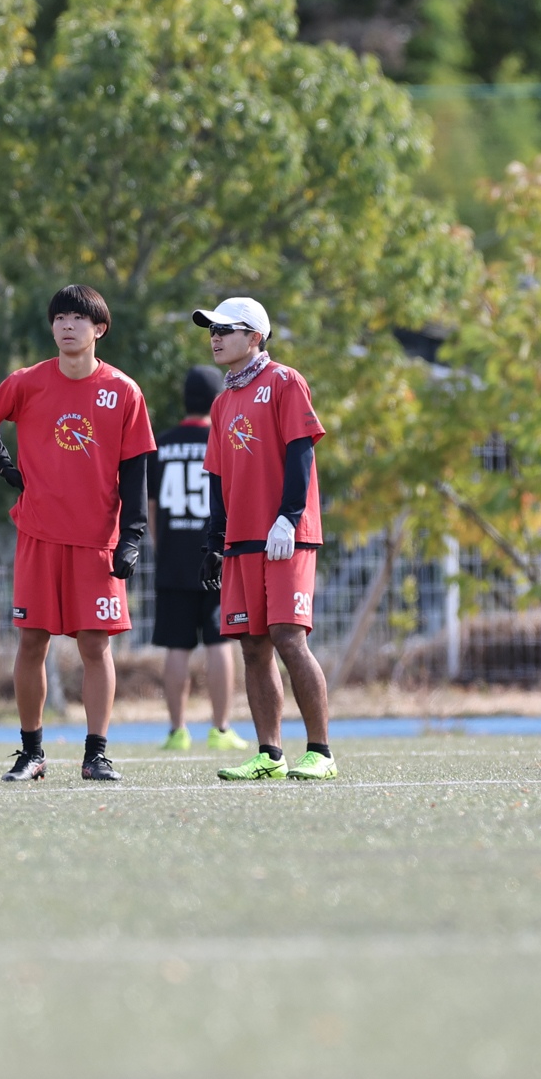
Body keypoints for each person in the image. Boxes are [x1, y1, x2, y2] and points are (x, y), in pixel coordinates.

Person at [0, 285, 154, 783]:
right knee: (32, 643)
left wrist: (132, 537)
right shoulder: (26, 382)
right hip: (39, 535)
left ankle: (96, 755)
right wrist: (2, 465)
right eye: (59, 318)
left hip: (97, 541)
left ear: (99, 329)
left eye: (78, 318)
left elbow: (136, 470)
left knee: (95, 646)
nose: (67, 325)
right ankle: (32, 753)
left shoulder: (124, 391)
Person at [195, 297, 338, 781]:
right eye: (212, 330)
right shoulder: (222, 402)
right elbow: (218, 476)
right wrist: (214, 540)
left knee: (288, 638)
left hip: (285, 536)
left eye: (225, 329)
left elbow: (301, 451)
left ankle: (320, 752)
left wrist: (289, 518)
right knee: (252, 646)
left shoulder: (285, 381)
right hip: (241, 540)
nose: (215, 337)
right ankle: (270, 755)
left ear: (255, 336)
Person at [149, 368, 247, 754]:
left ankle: (178, 731)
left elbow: (152, 506)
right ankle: (220, 729)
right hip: (218, 555)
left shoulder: (162, 444)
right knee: (219, 641)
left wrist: (163, 546)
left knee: (177, 646)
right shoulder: (223, 439)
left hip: (173, 560)